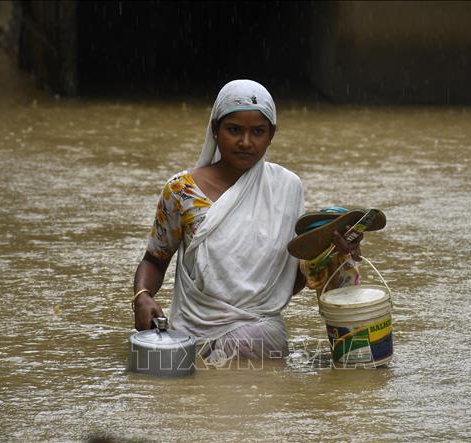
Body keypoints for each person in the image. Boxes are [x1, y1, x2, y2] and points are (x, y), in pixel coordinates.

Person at [132, 79, 360, 360]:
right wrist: (142, 296)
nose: (245, 142)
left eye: (258, 132)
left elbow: (286, 282)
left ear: (272, 135)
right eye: (234, 130)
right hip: (191, 341)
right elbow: (155, 259)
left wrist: (330, 251)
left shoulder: (287, 187)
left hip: (262, 341)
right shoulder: (182, 191)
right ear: (215, 130)